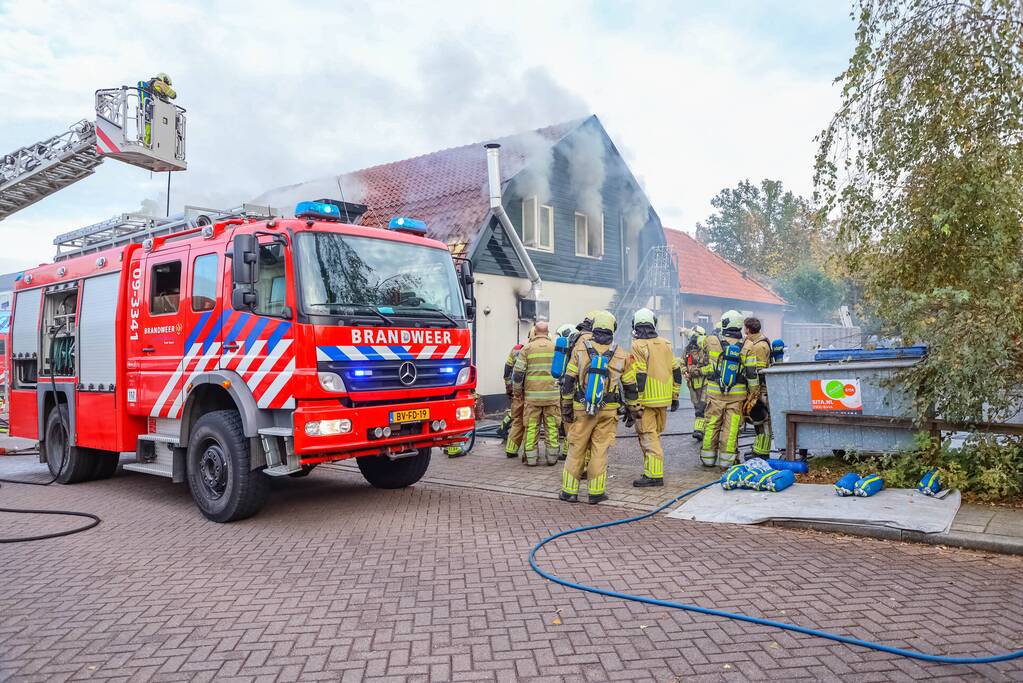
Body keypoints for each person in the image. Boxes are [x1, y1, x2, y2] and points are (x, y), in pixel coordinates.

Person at [559, 311, 640, 504]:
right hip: (608, 410)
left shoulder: (580, 349)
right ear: (613, 329)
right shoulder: (622, 353)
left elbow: (568, 381)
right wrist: (632, 410)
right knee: (600, 450)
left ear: (594, 328)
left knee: (576, 448)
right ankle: (596, 493)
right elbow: (630, 386)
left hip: (581, 407)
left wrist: (567, 407)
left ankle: (569, 492)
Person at [629, 309, 683, 487]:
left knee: (648, 436)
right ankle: (651, 470)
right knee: (655, 435)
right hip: (664, 399)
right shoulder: (666, 343)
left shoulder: (637, 345)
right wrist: (675, 396)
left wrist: (636, 402)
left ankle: (654, 475)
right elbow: (676, 370)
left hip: (647, 401)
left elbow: (640, 375)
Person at [700, 310, 759, 468]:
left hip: (714, 394)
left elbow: (700, 347)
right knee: (731, 428)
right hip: (737, 396)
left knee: (712, 425)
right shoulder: (748, 345)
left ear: (724, 322)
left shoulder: (711, 340)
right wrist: (753, 394)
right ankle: (726, 461)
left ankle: (708, 459)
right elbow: (752, 374)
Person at [512, 321, 562, 466]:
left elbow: (518, 374)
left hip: (532, 398)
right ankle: (552, 458)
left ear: (534, 332)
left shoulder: (527, 349)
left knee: (532, 428)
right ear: (547, 333)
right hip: (552, 397)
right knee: (552, 428)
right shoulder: (556, 348)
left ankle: (531, 459)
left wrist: (517, 392)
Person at [741, 317, 773, 459]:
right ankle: (759, 449)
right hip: (758, 389)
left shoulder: (759, 346)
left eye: (745, 328)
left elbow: (758, 371)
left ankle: (763, 452)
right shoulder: (757, 341)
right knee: (758, 420)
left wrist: (754, 393)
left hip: (761, 389)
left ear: (748, 328)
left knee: (764, 420)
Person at [682, 325, 709, 441]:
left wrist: (697, 371)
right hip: (692, 385)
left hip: (705, 383)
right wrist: (685, 372)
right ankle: (701, 430)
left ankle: (700, 431)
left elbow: (710, 366)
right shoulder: (687, 350)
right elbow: (682, 363)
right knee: (697, 407)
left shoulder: (705, 351)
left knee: (703, 407)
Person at [501, 343, 526, 458]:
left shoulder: (516, 349)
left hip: (517, 392)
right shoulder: (540, 349)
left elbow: (507, 370)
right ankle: (529, 453)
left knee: (517, 420)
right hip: (531, 392)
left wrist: (509, 387)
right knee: (531, 423)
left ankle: (511, 449)